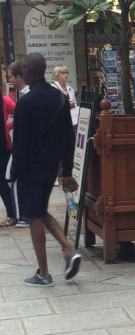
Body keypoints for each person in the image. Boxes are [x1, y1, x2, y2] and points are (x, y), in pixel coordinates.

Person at [11, 53, 82, 287]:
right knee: (39, 210)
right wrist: (66, 170)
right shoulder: (59, 98)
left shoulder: (26, 102)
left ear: (28, 72)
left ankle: (44, 273)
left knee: (33, 215)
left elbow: (21, 142)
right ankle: (68, 249)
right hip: (51, 165)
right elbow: (67, 138)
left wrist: (15, 173)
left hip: (30, 167)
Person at [6, 61, 30, 228]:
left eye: (10, 77)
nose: (9, 81)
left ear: (19, 77)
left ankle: (24, 215)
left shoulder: (25, 97)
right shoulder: (22, 95)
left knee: (15, 180)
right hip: (23, 146)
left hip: (24, 147)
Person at [0, 76, 17, 227]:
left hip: (3, 146)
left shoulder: (4, 100)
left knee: (1, 181)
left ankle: (12, 214)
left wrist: (7, 127)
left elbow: (19, 112)